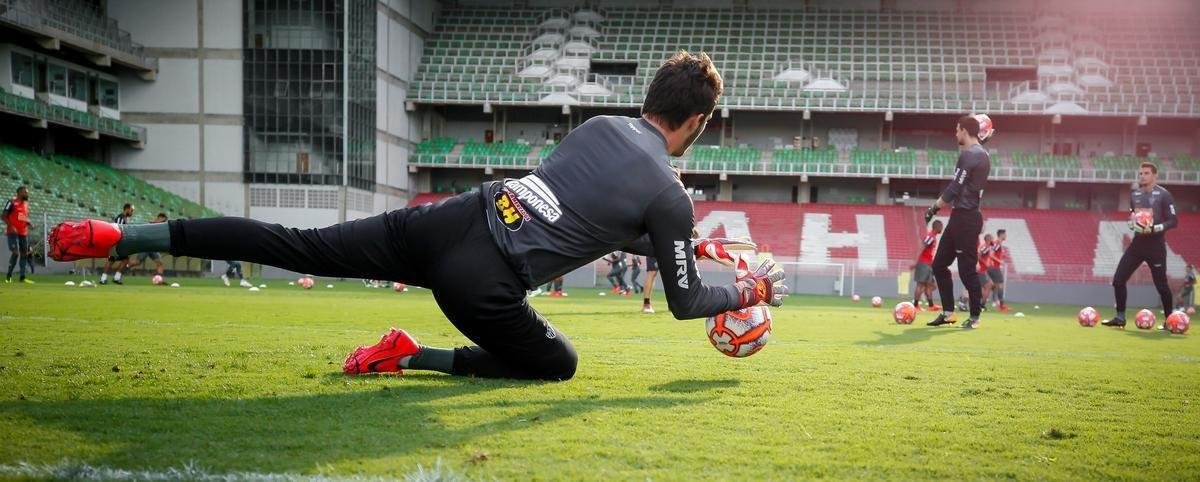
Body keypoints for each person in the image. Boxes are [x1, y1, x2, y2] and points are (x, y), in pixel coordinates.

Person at [49, 51, 788, 381]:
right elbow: (687, 301)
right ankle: (412, 354)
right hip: (484, 281)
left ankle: (124, 237)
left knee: (295, 245)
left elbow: (598, 213)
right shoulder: (668, 193)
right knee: (557, 365)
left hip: (449, 217)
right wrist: (746, 289)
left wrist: (693, 250)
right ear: (698, 120)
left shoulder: (599, 126)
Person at [923, 114, 994, 330]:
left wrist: (934, 207)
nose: (955, 134)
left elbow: (955, 188)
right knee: (939, 264)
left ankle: (974, 317)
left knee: (966, 270)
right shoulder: (978, 154)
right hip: (959, 217)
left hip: (967, 218)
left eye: (956, 130)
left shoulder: (971, 154)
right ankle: (948, 313)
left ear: (964, 130)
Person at [1103, 162, 1178, 327]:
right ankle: (1120, 318)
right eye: (1141, 173)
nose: (1142, 176)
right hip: (1137, 245)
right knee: (1118, 280)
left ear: (1154, 175)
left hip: (1156, 246)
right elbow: (1133, 215)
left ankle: (1169, 321)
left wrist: (1156, 227)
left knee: (1161, 286)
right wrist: (1131, 223)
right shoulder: (1135, 195)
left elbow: (1173, 221)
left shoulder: (1164, 195)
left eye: (1146, 173)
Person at [4, 185, 34, 284]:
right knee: (16, 253)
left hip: (23, 233)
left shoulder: (25, 204)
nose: (27, 194)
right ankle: (8, 276)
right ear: (20, 192)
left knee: (24, 254)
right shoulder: (11, 202)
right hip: (13, 232)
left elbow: (21, 216)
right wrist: (11, 226)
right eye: (25, 192)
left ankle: (22, 277)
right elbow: (3, 216)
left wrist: (28, 222)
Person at [911, 219, 943, 311]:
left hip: (928, 264)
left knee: (929, 285)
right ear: (936, 227)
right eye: (941, 227)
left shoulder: (933, 237)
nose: (942, 229)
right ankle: (915, 305)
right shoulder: (930, 236)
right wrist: (916, 262)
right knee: (920, 285)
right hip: (923, 263)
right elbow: (922, 247)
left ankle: (931, 305)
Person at [125, 213, 168, 279]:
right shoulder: (150, 224)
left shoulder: (161, 227)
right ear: (160, 218)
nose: (164, 222)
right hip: (146, 247)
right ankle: (125, 267)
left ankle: (159, 279)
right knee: (137, 262)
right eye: (163, 220)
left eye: (164, 221)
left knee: (160, 263)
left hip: (153, 248)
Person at [99, 203, 134, 285]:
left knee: (124, 260)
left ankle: (113, 278)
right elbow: (118, 228)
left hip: (120, 242)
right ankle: (105, 278)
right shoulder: (120, 218)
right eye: (131, 210)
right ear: (127, 209)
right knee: (112, 260)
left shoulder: (124, 218)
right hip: (117, 242)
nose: (132, 212)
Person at [988, 229, 1012, 312]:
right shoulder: (997, 243)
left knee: (993, 285)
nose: (1006, 236)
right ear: (1001, 235)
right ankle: (1001, 305)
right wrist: (999, 261)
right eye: (1005, 234)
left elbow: (993, 253)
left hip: (992, 267)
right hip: (994, 267)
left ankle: (994, 301)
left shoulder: (997, 243)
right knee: (1000, 285)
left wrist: (1003, 256)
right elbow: (991, 255)